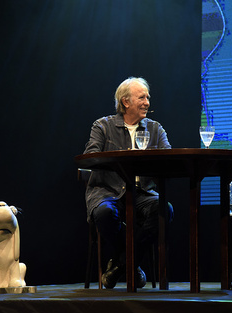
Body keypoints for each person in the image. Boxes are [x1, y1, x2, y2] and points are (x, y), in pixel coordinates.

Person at [83, 77, 173, 289]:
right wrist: (121, 159)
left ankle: (121, 262)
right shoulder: (103, 126)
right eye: (142, 97)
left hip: (142, 192)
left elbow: (169, 159)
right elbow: (91, 156)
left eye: (148, 97)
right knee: (104, 213)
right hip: (108, 191)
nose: (147, 102)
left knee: (164, 210)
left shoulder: (155, 128)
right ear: (125, 102)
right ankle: (132, 263)